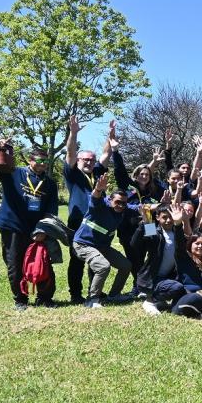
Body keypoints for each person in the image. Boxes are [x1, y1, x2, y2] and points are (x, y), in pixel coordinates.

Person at [0, 140, 59, 310]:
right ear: (30, 160)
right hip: (13, 227)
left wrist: (42, 229)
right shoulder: (12, 172)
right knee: (15, 264)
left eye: (46, 161)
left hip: (36, 230)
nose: (42, 164)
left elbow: (51, 210)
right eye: (39, 160)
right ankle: (20, 300)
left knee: (43, 261)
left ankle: (45, 297)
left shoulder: (50, 184)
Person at [64, 115, 111, 303]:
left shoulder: (98, 172)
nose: (89, 163)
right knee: (76, 261)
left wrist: (110, 136)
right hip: (77, 223)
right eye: (85, 159)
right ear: (78, 159)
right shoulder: (72, 173)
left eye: (91, 160)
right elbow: (69, 151)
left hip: (97, 225)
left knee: (96, 259)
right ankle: (75, 294)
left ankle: (95, 291)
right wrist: (73, 133)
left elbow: (106, 155)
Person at [71, 174, 137, 308]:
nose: (120, 205)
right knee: (103, 266)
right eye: (117, 202)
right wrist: (98, 189)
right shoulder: (99, 206)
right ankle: (92, 299)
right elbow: (95, 198)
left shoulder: (123, 209)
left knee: (126, 265)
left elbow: (142, 207)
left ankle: (114, 295)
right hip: (83, 244)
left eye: (124, 203)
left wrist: (164, 204)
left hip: (102, 246)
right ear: (109, 199)